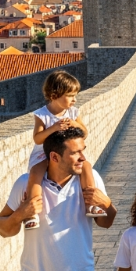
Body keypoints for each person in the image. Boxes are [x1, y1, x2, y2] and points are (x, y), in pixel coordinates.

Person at [0, 127, 117, 271]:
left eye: (83, 150)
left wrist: (107, 204)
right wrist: (20, 214)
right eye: (75, 153)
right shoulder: (25, 184)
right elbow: (3, 230)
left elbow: (106, 223)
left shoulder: (92, 179)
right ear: (54, 157)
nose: (83, 158)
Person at [23, 70, 104, 230]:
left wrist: (76, 125)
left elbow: (85, 133)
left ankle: (90, 204)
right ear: (54, 95)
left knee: (86, 167)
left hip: (69, 153)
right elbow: (37, 138)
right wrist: (53, 128)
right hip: (44, 153)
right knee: (36, 173)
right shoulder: (42, 115)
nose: (74, 100)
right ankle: (32, 211)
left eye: (75, 95)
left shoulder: (73, 113)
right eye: (70, 96)